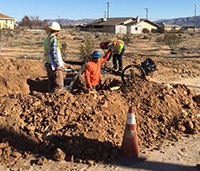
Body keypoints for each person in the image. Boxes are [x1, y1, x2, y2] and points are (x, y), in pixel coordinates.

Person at [44, 22, 64, 93]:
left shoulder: (47, 38)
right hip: (53, 64)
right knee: (59, 84)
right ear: (57, 31)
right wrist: (57, 65)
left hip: (48, 62)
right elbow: (54, 53)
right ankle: (55, 99)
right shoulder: (54, 39)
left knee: (51, 83)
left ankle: (49, 97)